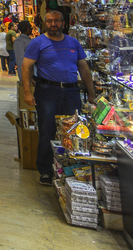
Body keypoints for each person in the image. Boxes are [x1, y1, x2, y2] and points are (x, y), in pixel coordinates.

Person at [22, 9, 97, 186]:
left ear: (64, 23)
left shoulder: (73, 43)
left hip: (72, 92)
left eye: (57, 21)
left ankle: (70, 168)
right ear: (44, 23)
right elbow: (26, 68)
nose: (53, 24)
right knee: (47, 130)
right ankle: (46, 169)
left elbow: (83, 68)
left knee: (73, 130)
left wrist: (91, 92)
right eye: (49, 21)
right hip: (48, 91)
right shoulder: (38, 43)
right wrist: (27, 92)